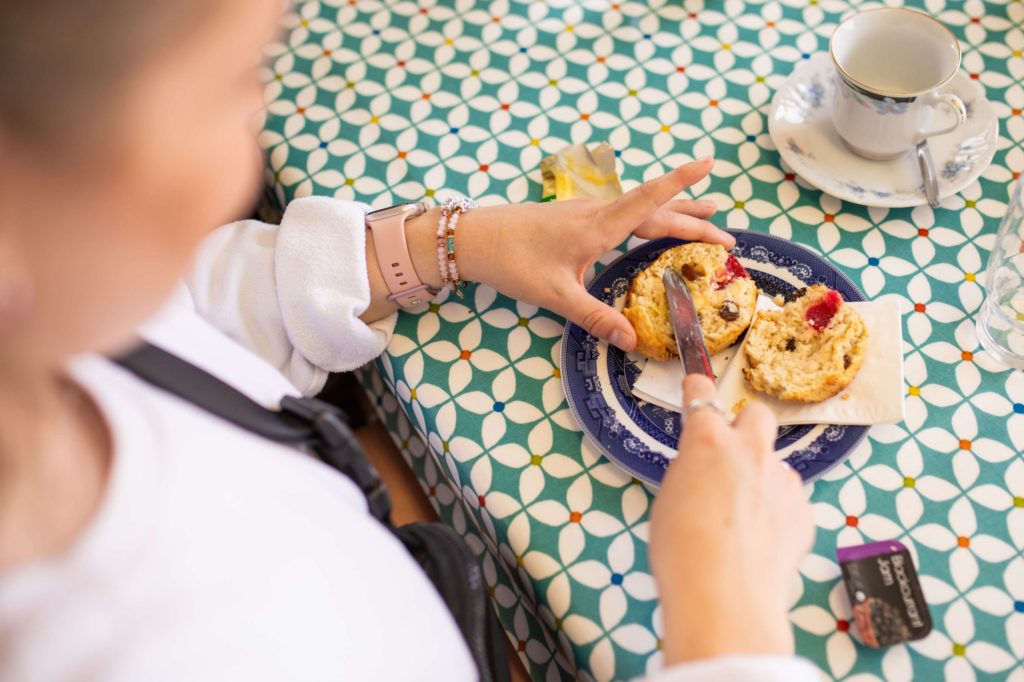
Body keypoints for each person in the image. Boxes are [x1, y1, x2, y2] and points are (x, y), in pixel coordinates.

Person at [0, 0, 817, 679]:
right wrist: (727, 623)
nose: (259, 114)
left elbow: (192, 308)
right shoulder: (175, 649)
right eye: (230, 82)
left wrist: (451, 242)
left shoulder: (60, 331)